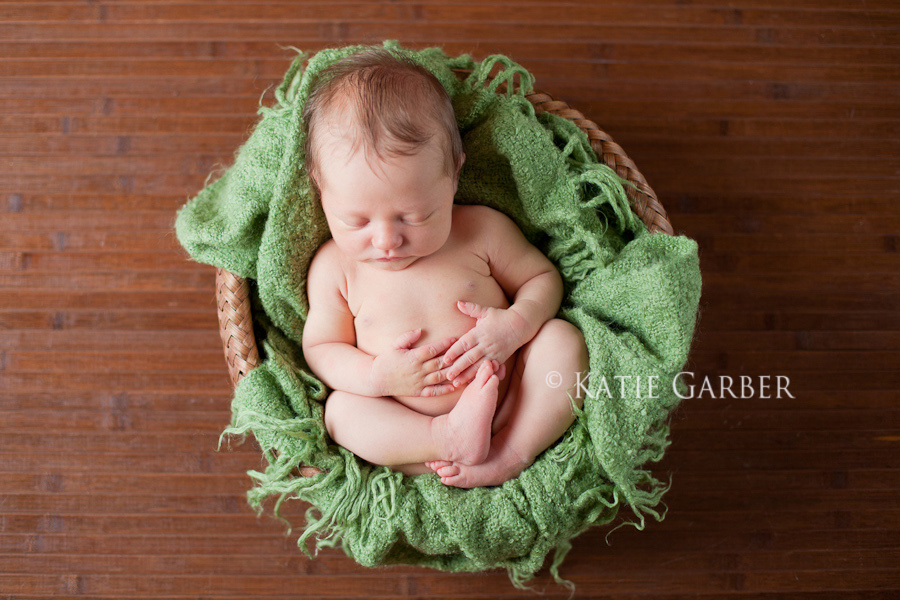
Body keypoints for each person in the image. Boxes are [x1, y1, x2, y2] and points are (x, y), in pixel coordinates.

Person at [301, 48, 588, 488]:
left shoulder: (481, 231)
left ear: (453, 176)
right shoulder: (334, 268)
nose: (386, 241)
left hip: (513, 400)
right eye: (355, 221)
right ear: (320, 190)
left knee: (562, 341)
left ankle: (512, 451)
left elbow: (542, 279)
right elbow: (322, 349)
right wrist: (376, 377)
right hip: (406, 424)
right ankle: (444, 439)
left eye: (414, 216)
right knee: (342, 411)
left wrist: (515, 325)